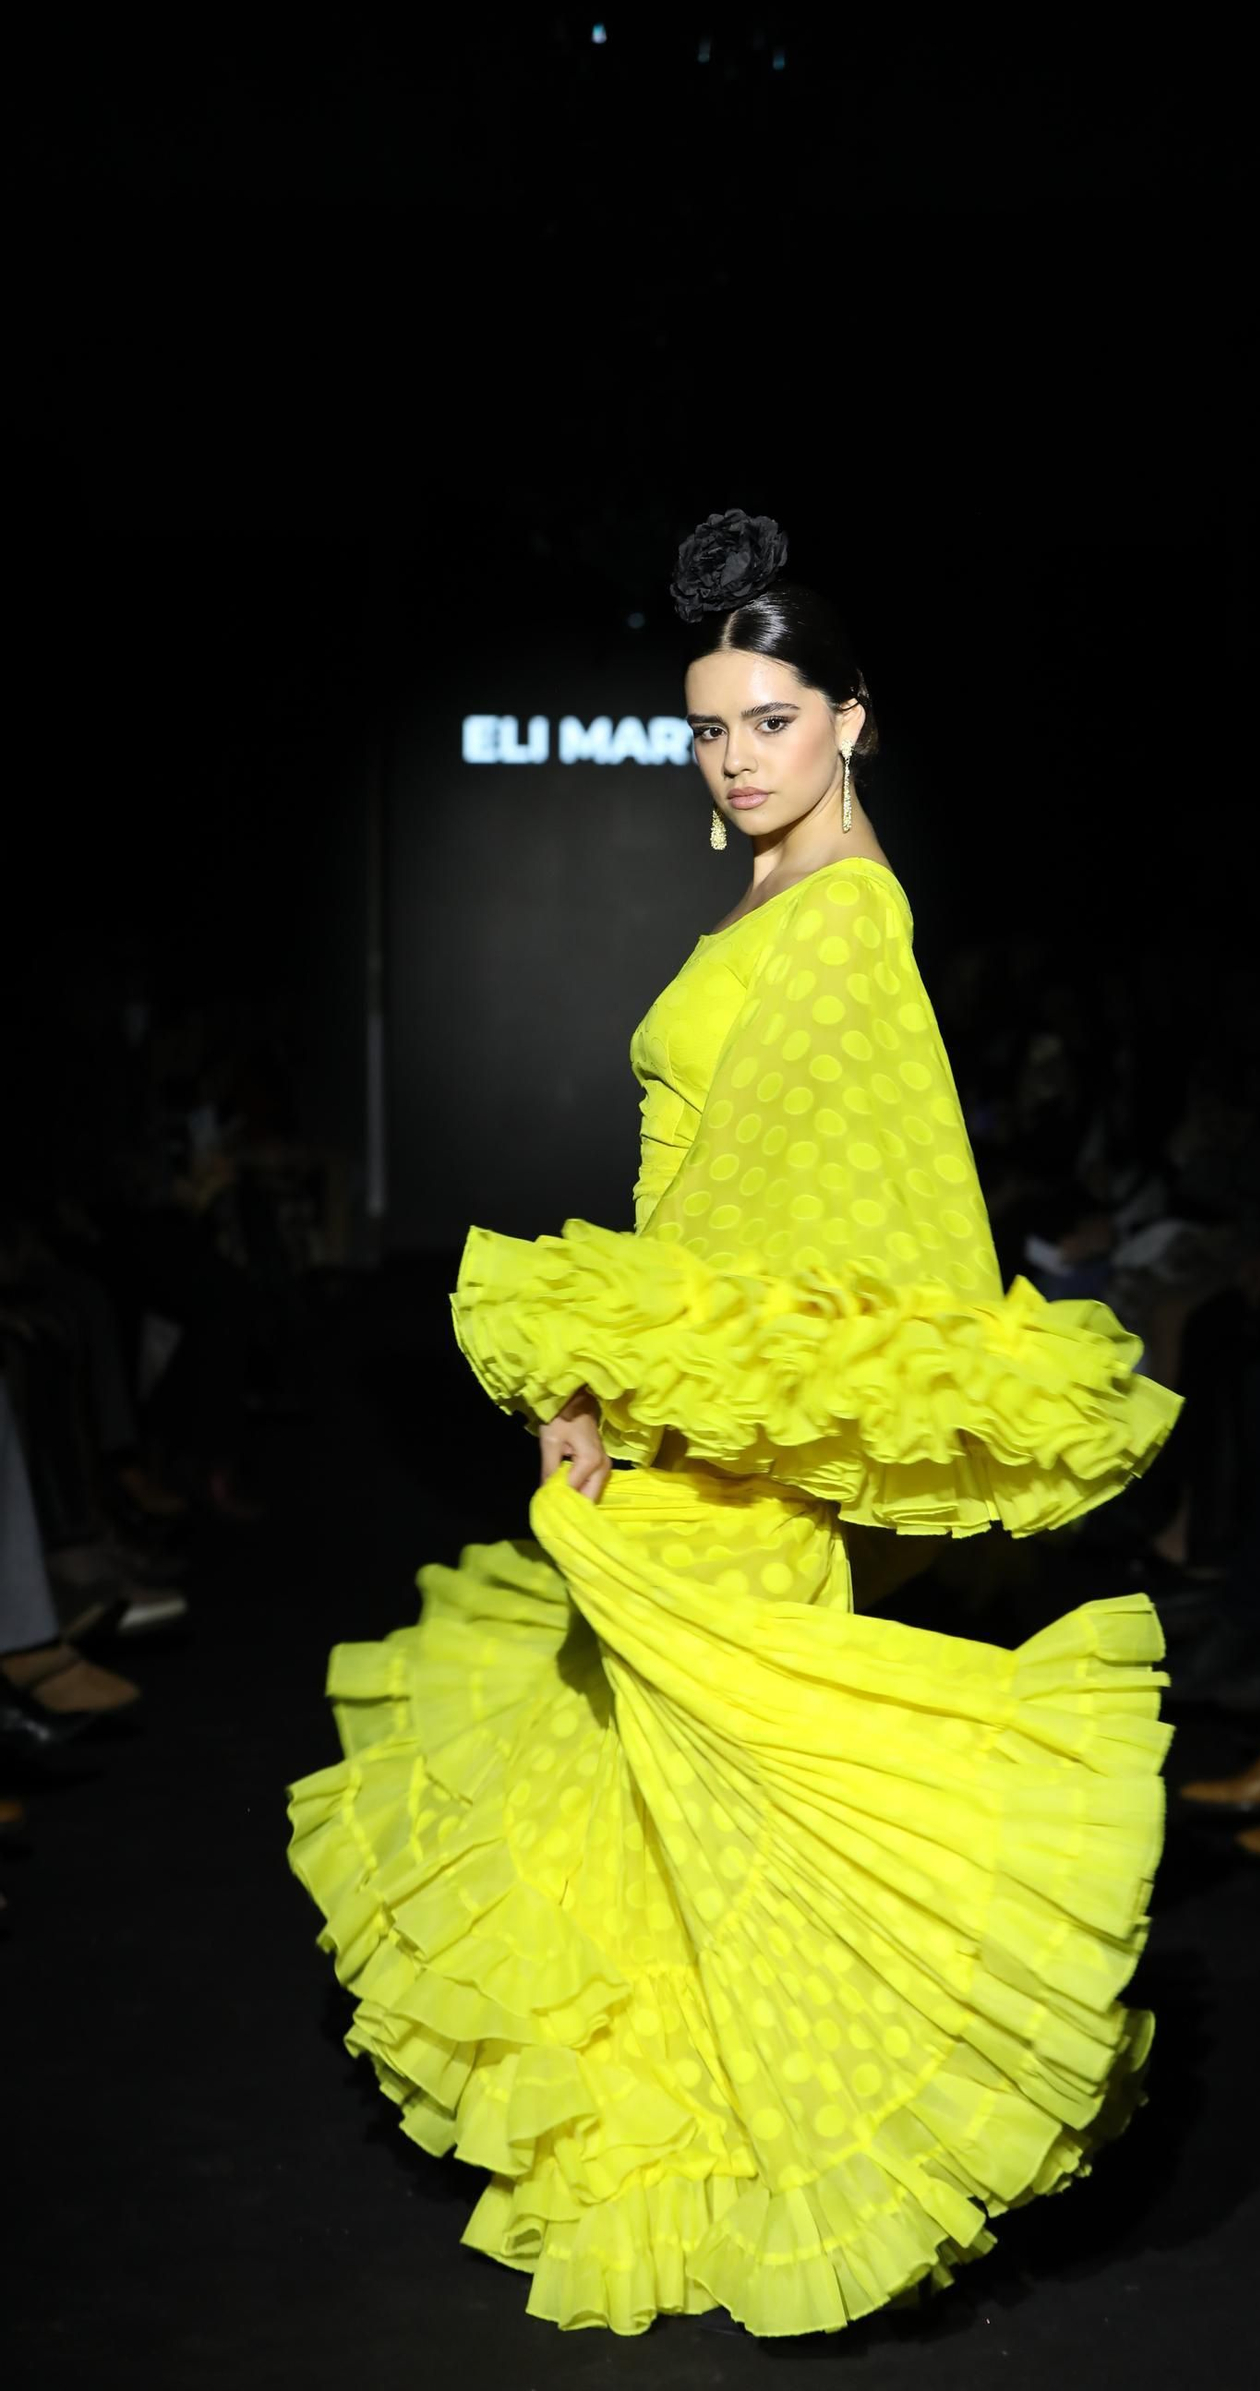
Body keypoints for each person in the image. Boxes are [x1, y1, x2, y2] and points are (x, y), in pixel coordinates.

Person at [286, 512, 1181, 2340]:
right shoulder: (778, 902)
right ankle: (728, 2138)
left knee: (756, 1778)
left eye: (769, 720)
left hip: (735, 1436)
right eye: (710, 727)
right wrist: (593, 1379)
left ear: (854, 720)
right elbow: (703, 1205)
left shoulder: (847, 931)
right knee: (660, 1774)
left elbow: (854, 1243)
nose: (734, 757)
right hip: (678, 1402)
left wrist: (622, 1369)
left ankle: (836, 2146)